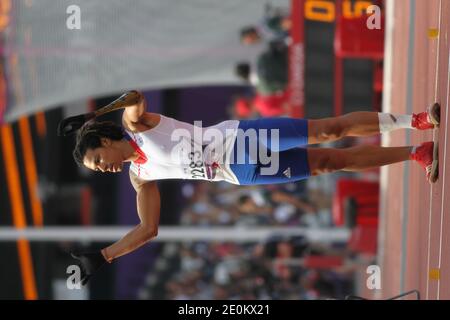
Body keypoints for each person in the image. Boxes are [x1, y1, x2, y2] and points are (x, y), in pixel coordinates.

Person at [66, 90, 440, 285]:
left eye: (98, 159)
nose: (105, 168)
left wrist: (94, 114)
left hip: (241, 138)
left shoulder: (136, 127)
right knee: (331, 162)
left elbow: (133, 95)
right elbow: (148, 229)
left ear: (104, 139)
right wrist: (104, 255)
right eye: (97, 170)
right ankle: (415, 153)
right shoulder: (139, 178)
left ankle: (417, 120)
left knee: (329, 131)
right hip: (244, 173)